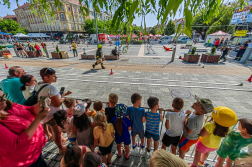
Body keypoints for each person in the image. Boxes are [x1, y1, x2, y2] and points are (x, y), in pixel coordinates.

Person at [0, 89, 50, 167]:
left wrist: (38, 106)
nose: (4, 99)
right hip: (24, 162)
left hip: (35, 153)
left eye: (3, 95)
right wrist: (38, 119)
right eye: (0, 99)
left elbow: (27, 109)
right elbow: (17, 143)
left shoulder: (7, 105)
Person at [35, 67, 72, 153]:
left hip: (43, 112)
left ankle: (61, 140)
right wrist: (62, 97)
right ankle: (61, 147)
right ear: (46, 77)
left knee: (52, 129)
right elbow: (58, 103)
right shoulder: (51, 88)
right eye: (54, 76)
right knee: (56, 132)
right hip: (52, 114)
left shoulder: (38, 84)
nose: (56, 77)